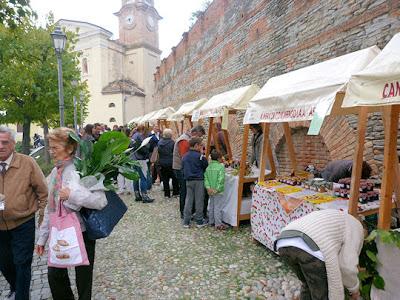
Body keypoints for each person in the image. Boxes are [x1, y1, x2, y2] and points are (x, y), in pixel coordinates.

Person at [35, 127, 107, 300]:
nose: (51, 152)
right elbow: (50, 207)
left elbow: (100, 201)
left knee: (84, 281)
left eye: (55, 148)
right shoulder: (55, 172)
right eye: (50, 147)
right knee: (54, 275)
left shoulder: (84, 169)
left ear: (69, 148)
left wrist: (72, 195)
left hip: (82, 232)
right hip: (58, 231)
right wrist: (42, 238)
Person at [0, 126, 48, 300]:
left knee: (22, 262)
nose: (0, 146)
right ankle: (15, 287)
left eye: (5, 142)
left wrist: (43, 215)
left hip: (23, 222)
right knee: (4, 264)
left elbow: (43, 191)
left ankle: (21, 296)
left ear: (13, 144)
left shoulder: (27, 163)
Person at [274, 209, 364, 300]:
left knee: (308, 285)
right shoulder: (356, 227)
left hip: (283, 242)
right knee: (321, 294)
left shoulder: (338, 215)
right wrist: (354, 289)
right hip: (309, 248)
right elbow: (347, 267)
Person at [173, 125, 206, 218]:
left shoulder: (188, 139)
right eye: (199, 136)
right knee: (184, 191)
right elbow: (185, 156)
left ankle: (189, 212)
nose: (200, 138)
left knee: (187, 191)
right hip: (180, 169)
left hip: (184, 168)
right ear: (195, 133)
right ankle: (184, 213)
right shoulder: (184, 140)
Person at [182, 137, 208, 228]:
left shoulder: (185, 156)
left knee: (188, 200)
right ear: (196, 146)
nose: (202, 147)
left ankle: (186, 221)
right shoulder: (200, 156)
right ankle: (199, 221)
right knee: (199, 201)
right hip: (198, 180)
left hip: (188, 180)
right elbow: (205, 166)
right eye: (201, 145)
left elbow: (183, 167)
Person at [130, 125, 154, 203]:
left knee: (136, 178)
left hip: (133, 159)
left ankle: (137, 195)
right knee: (143, 177)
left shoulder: (133, 136)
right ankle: (145, 196)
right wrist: (147, 151)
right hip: (140, 160)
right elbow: (142, 148)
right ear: (144, 130)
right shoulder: (139, 136)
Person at [204, 150, 227, 230]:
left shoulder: (208, 167)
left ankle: (211, 221)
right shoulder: (221, 167)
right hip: (218, 191)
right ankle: (218, 224)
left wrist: (208, 188)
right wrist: (217, 189)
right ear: (218, 158)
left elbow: (206, 178)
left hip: (210, 190)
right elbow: (221, 179)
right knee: (218, 207)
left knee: (211, 206)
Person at [157, 129, 179, 198]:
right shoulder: (172, 143)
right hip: (171, 162)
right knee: (174, 178)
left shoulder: (159, 142)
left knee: (165, 179)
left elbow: (159, 152)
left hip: (162, 162)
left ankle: (167, 194)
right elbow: (174, 152)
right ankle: (175, 192)